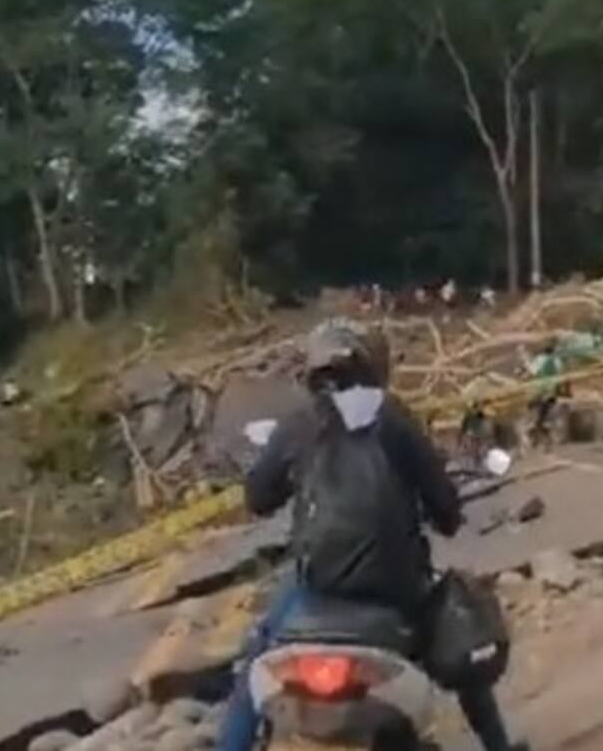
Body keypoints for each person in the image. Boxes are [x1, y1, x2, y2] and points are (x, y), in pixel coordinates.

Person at [219, 321, 527, 751]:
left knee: (257, 650)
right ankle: (498, 746)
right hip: (397, 588)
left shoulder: (298, 424)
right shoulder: (394, 416)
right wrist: (445, 515)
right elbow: (445, 507)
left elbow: (257, 498)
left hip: (318, 590)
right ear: (367, 366)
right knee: (461, 638)